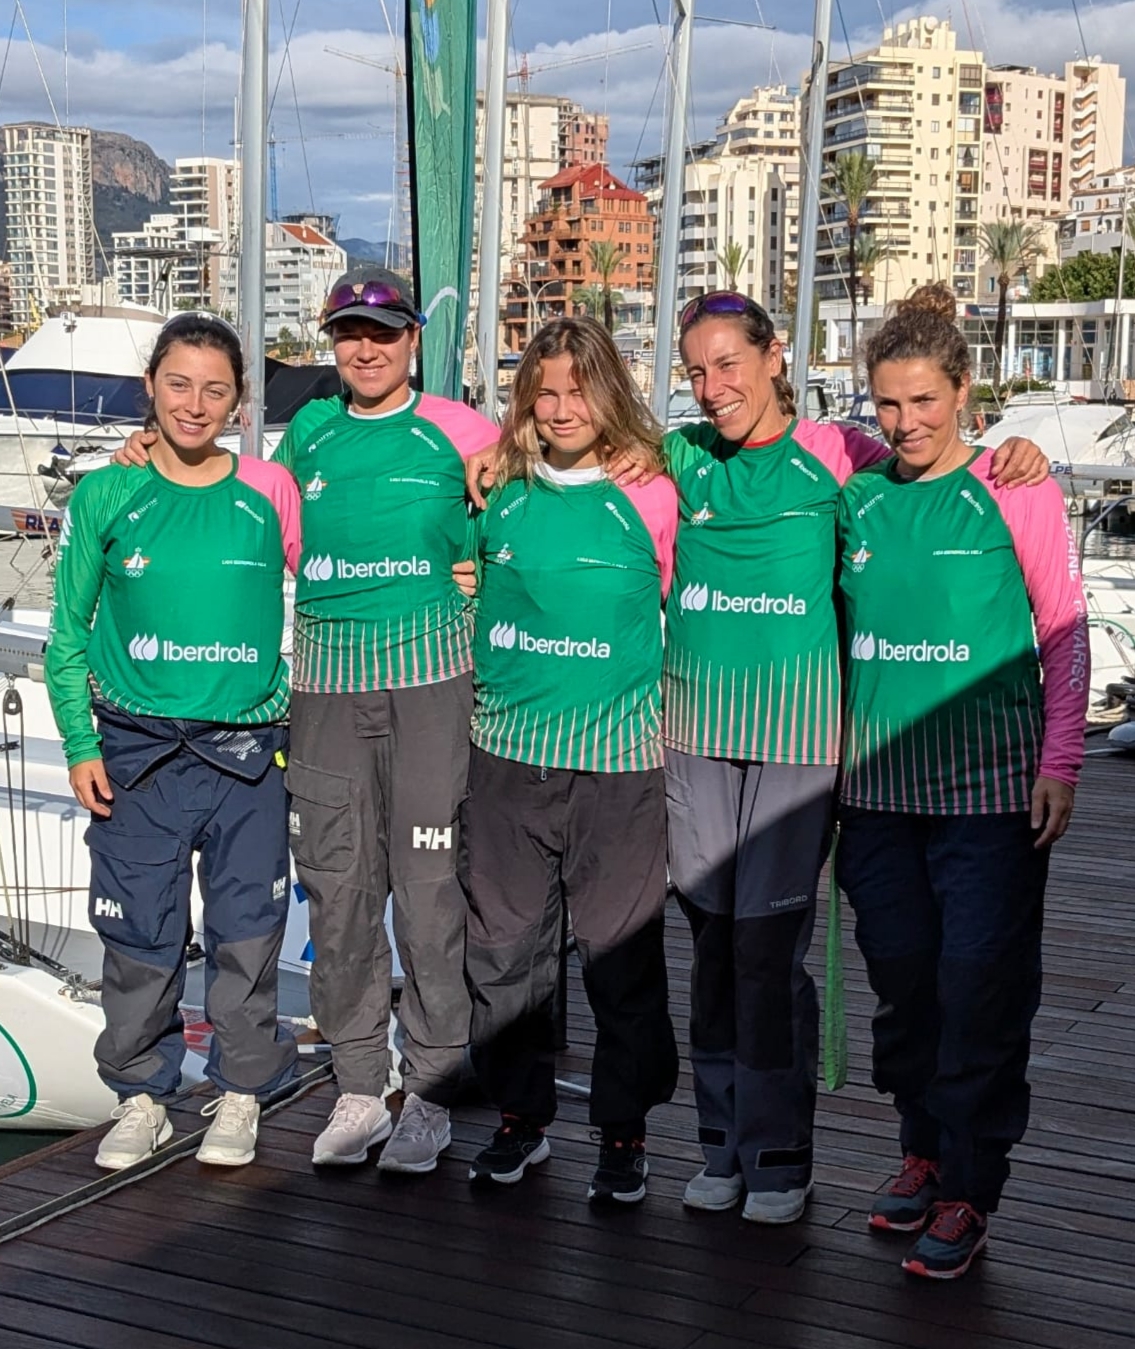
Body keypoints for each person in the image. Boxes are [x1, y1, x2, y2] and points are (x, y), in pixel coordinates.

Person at [116, 268, 499, 1175]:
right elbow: (232, 509)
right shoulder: (307, 440)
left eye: (384, 331)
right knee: (338, 888)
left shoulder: (467, 430)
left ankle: (433, 1092)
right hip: (324, 692)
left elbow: (526, 510)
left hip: (432, 688)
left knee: (432, 893)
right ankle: (362, 1084)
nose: (365, 348)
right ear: (330, 342)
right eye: (348, 333)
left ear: (413, 338)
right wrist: (146, 457)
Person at [834, 283, 1088, 1279]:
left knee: (977, 989)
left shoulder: (1014, 485)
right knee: (903, 988)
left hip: (990, 797)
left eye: (924, 402)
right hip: (877, 800)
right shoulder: (855, 489)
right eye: (887, 404)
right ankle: (923, 1147)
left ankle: (969, 1186)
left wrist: (1061, 762)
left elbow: (1062, 630)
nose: (904, 424)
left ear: (964, 391)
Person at [46, 311, 301, 1170]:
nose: (196, 404)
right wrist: (79, 744)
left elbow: (348, 583)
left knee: (246, 934)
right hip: (135, 755)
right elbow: (66, 637)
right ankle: (142, 1097)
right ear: (152, 386)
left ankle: (238, 1093)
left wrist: (462, 562)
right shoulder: (105, 492)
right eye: (179, 383)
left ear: (239, 400)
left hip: (245, 755)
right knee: (138, 938)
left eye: (216, 388)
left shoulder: (271, 490)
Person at [462, 317, 680, 1203]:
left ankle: (624, 1134)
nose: (559, 409)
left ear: (610, 394)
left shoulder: (654, 492)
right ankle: (521, 1118)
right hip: (506, 758)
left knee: (620, 963)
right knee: (504, 956)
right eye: (543, 392)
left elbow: (774, 441)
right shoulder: (499, 489)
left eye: (577, 391)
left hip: (618, 767)